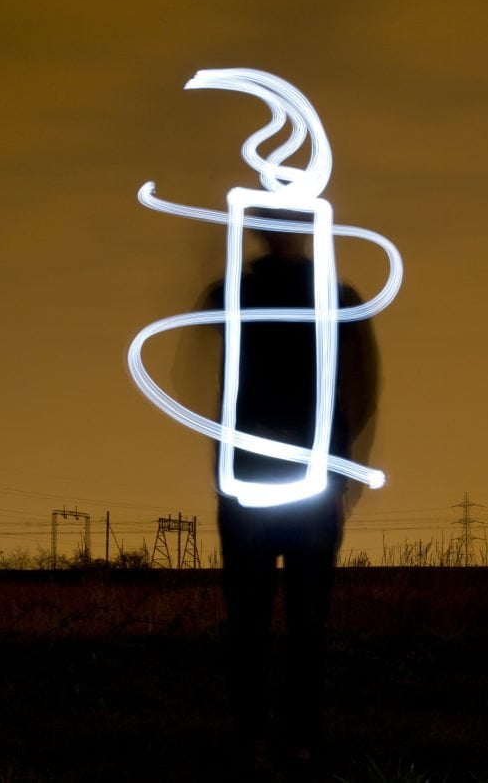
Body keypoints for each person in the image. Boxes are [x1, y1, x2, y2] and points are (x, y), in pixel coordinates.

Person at [200, 212, 380, 768]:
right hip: (267, 482)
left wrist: (343, 472)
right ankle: (272, 737)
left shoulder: (252, 293)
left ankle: (282, 737)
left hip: (286, 482)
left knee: (291, 620)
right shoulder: (274, 293)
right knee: (267, 619)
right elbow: (363, 383)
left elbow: (360, 382)